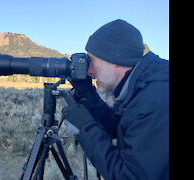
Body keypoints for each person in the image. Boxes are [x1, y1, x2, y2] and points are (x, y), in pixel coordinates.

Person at [62, 19, 169, 180]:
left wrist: (85, 128)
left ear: (115, 60)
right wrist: (87, 95)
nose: (89, 71)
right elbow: (118, 126)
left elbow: (130, 176)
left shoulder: (157, 99)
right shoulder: (140, 88)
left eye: (91, 61)